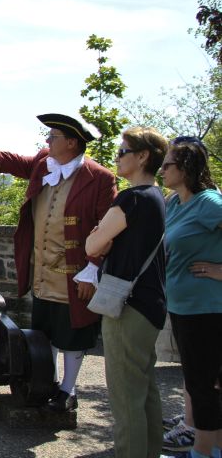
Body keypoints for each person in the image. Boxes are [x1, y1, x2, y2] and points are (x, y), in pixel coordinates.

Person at [0, 112, 117, 412]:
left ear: (72, 142)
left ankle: (68, 391)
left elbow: (107, 225)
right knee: (47, 330)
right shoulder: (45, 162)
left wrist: (93, 267)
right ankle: (51, 382)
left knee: (73, 331)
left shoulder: (100, 178)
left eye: (54, 136)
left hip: (75, 269)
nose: (47, 140)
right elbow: (11, 161)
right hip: (43, 267)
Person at [85, 127, 169, 458]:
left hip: (127, 307)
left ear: (143, 156)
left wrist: (100, 235)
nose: (117, 158)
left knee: (125, 398)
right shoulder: (157, 197)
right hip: (151, 304)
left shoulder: (132, 198)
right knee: (145, 391)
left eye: (122, 152)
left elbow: (92, 245)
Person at [160, 136, 222, 458]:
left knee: (203, 387)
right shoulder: (173, 203)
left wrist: (219, 270)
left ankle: (200, 452)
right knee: (202, 382)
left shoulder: (209, 203)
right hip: (182, 307)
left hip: (208, 309)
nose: (162, 170)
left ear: (186, 167)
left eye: (168, 164)